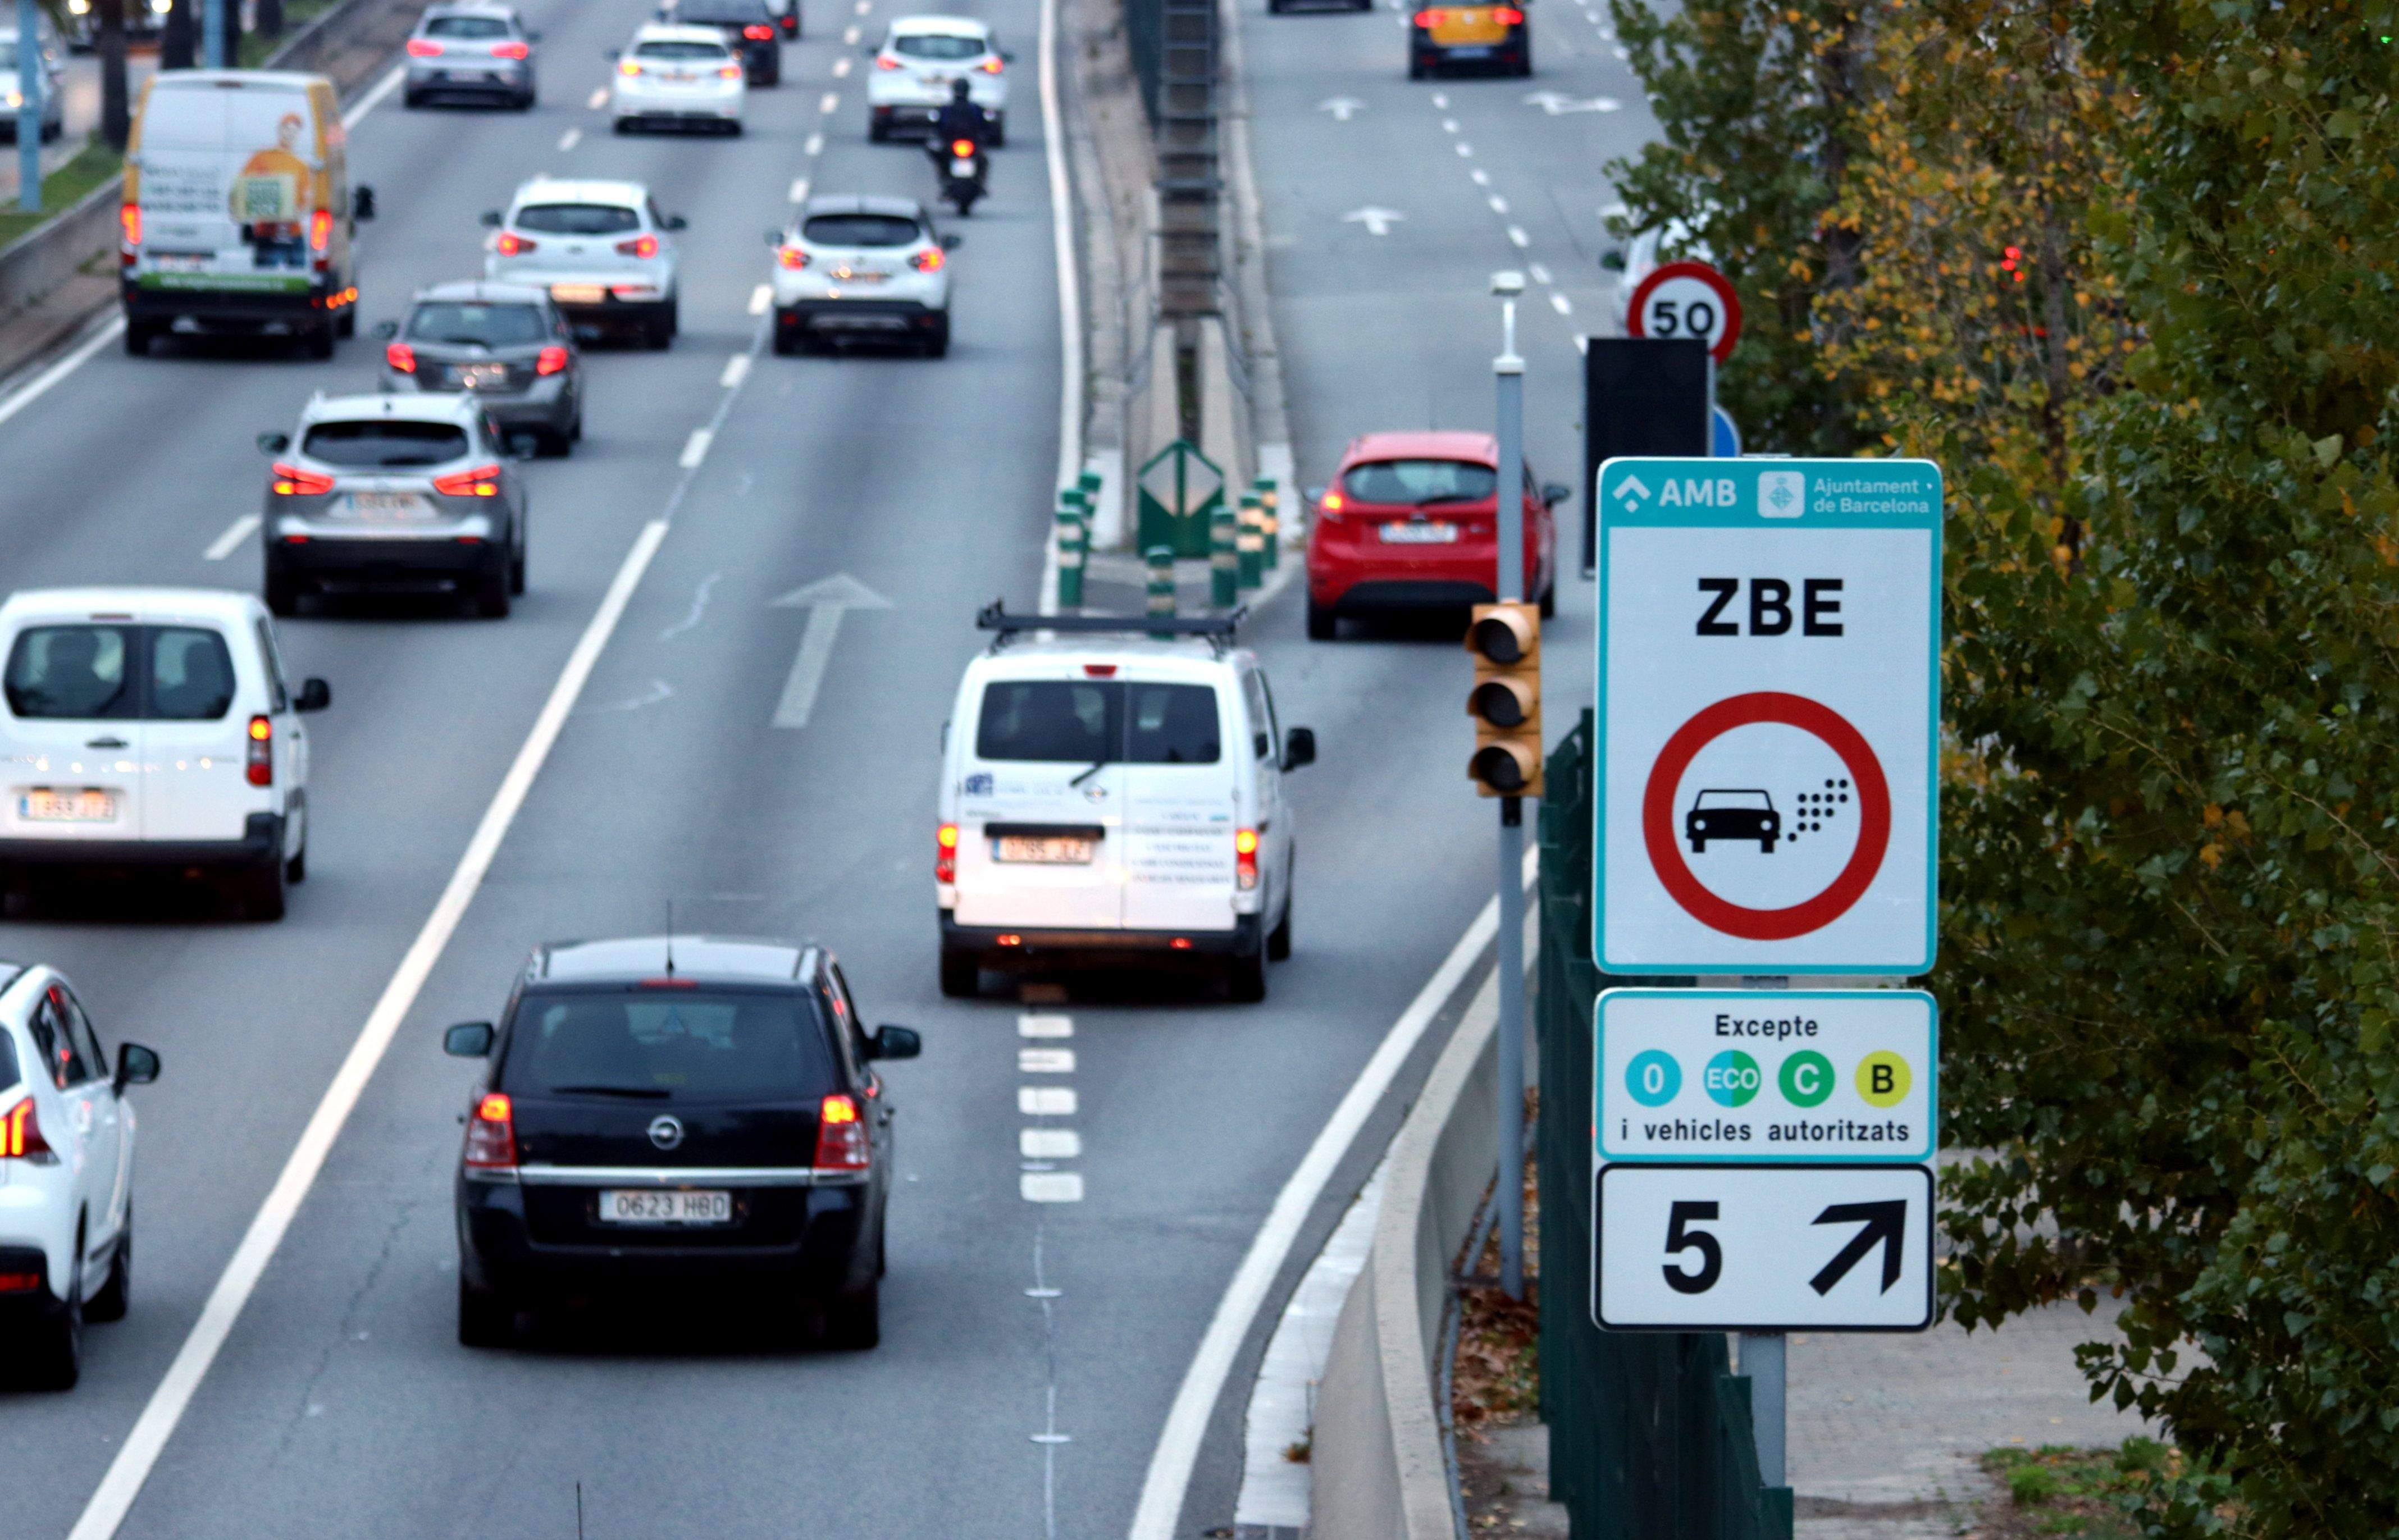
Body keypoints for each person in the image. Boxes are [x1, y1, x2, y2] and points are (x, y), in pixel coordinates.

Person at [929, 77, 989, 164]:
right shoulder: (947, 109)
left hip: (968, 143)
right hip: (952, 143)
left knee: (983, 161)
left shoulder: (947, 108)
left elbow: (984, 126)